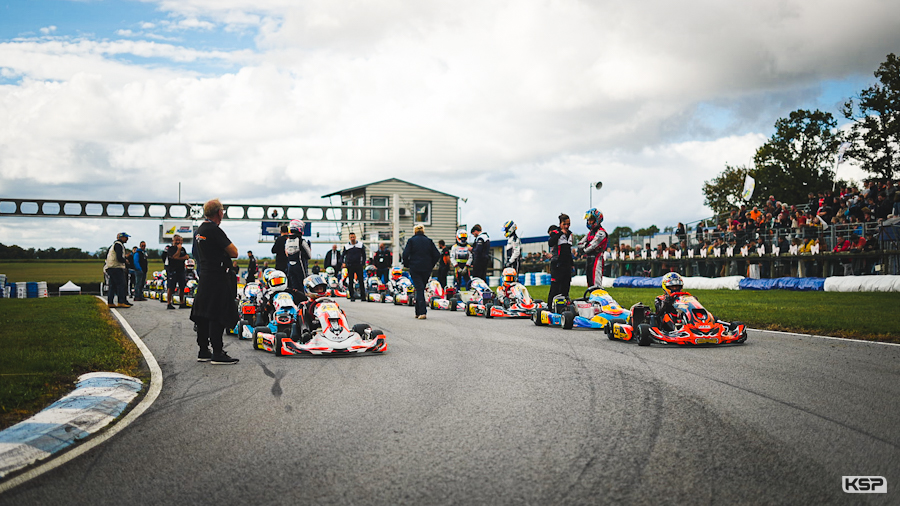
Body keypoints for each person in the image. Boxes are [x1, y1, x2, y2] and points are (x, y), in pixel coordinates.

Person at [190, 198, 240, 365]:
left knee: (203, 312)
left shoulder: (199, 230)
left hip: (204, 274)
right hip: (217, 275)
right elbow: (234, 252)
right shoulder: (213, 229)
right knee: (217, 313)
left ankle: (203, 349)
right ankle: (217, 352)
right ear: (219, 213)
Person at [402, 224, 441, 319]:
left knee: (419, 289)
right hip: (426, 268)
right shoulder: (429, 241)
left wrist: (407, 264)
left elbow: (405, 254)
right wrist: (431, 264)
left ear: (414, 231)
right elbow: (437, 254)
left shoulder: (411, 241)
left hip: (415, 267)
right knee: (421, 288)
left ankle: (422, 312)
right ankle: (418, 311)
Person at [579, 208, 608, 288]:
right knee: (590, 282)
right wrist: (585, 246)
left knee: (596, 282)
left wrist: (585, 247)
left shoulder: (601, 233)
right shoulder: (590, 233)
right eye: (588, 219)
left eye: (591, 219)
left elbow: (590, 247)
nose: (588, 222)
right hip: (589, 259)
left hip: (597, 258)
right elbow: (580, 244)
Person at [547, 213, 574, 303]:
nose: (566, 226)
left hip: (566, 265)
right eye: (564, 224)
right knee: (555, 287)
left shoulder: (570, 234)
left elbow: (569, 251)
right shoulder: (555, 233)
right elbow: (550, 243)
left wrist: (572, 264)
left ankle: (564, 305)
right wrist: (560, 233)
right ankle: (550, 305)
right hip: (557, 264)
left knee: (565, 287)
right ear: (560, 224)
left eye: (568, 224)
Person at [104, 232, 132, 308]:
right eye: (126, 237)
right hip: (116, 267)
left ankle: (110, 302)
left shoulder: (115, 245)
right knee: (121, 284)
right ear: (121, 237)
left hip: (111, 267)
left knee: (112, 285)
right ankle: (121, 301)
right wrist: (125, 261)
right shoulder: (118, 245)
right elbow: (119, 257)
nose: (127, 239)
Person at [285, 219, 312, 291]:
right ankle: (303, 299)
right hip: (300, 266)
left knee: (293, 285)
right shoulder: (301, 241)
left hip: (290, 266)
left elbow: (287, 253)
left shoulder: (287, 241)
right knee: (303, 284)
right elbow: (309, 255)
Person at [165, 234, 190, 309]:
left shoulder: (183, 249)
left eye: (179, 240)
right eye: (176, 240)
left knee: (182, 286)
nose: (178, 242)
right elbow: (174, 257)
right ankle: (169, 303)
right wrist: (179, 250)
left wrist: (179, 257)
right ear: (173, 241)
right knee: (171, 287)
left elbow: (186, 257)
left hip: (181, 270)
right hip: (172, 270)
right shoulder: (171, 249)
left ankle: (181, 302)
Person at [342, 232, 367, 301]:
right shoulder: (347, 246)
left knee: (361, 281)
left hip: (358, 265)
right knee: (350, 281)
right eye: (351, 237)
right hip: (350, 265)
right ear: (349, 238)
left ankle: (363, 296)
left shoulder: (360, 245)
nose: (352, 238)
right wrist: (344, 263)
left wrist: (363, 263)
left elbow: (364, 255)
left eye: (353, 237)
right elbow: (343, 255)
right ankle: (352, 296)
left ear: (355, 237)